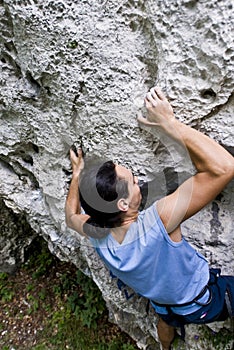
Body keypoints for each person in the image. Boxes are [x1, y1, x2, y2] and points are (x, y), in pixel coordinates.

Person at [65, 86, 234, 350]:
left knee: (166, 319)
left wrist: (77, 176)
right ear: (122, 204)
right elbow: (223, 168)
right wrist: (169, 124)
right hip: (203, 300)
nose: (138, 180)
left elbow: (71, 216)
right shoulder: (159, 221)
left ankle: (164, 348)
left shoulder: (95, 231)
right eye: (133, 181)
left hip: (164, 301)